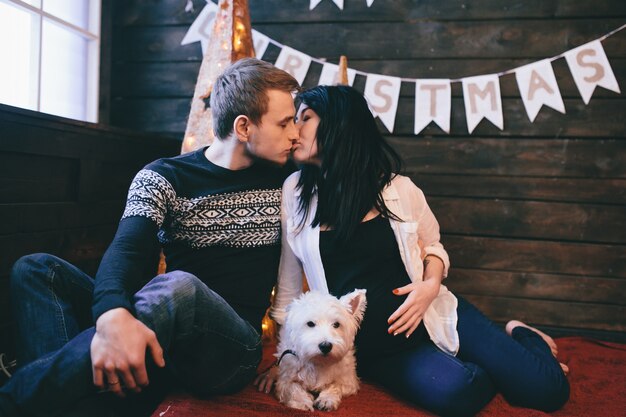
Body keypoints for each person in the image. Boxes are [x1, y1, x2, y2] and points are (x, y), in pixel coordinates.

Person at [0, 58, 300, 417]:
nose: (295, 132)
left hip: (230, 352)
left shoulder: (287, 179)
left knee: (178, 287)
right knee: (36, 269)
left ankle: (15, 401)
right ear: (244, 127)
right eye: (285, 123)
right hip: (166, 334)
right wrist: (113, 313)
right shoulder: (164, 176)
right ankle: (73, 400)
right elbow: (128, 249)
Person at [255, 85, 570, 417]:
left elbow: (434, 247)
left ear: (339, 124)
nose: (294, 130)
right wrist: (286, 359)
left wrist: (429, 286)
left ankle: (521, 333)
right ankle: (488, 363)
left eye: (304, 118)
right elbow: (289, 290)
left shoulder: (398, 189)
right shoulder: (295, 191)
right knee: (459, 394)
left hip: (437, 314)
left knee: (548, 390)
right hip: (380, 351)